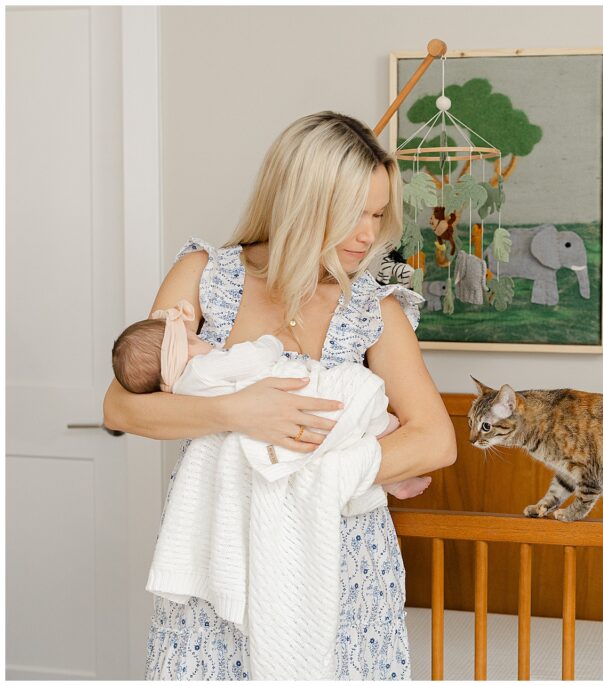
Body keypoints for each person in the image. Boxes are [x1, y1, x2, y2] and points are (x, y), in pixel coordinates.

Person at [103, 111, 457, 680]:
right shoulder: (203, 277)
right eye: (352, 215)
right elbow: (121, 406)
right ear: (301, 203)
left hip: (343, 564)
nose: (369, 235)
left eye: (376, 214)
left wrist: (316, 472)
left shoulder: (375, 309)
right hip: (224, 557)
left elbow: (437, 440)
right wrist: (235, 411)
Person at [109, 303, 429, 496]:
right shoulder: (204, 369)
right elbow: (251, 361)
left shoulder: (182, 393)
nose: (203, 342)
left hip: (274, 439)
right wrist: (268, 343)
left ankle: (392, 482)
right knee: (352, 396)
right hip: (298, 402)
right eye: (194, 339)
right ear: (185, 350)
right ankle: (385, 435)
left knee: (346, 441)